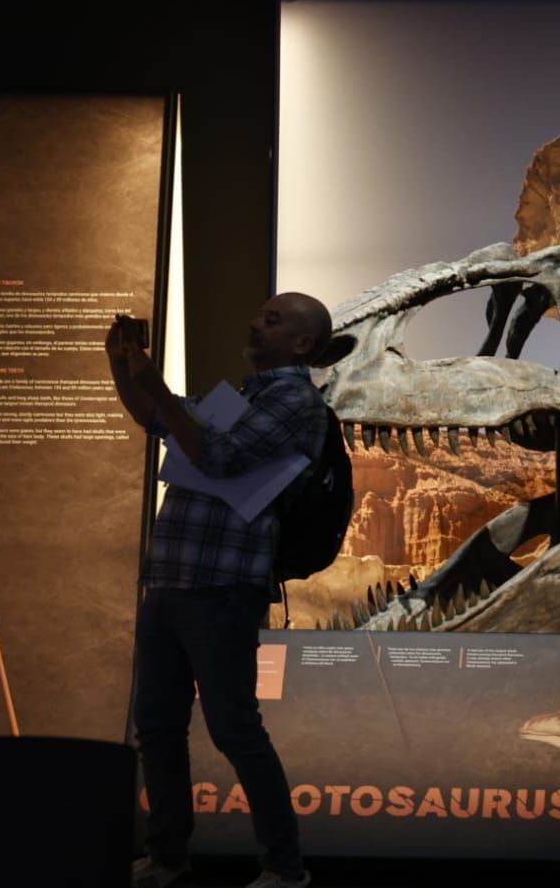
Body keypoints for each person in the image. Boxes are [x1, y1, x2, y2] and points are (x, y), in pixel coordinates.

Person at [108, 292, 332, 888]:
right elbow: (158, 421)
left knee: (235, 729)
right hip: (172, 579)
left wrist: (157, 390)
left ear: (303, 344)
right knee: (156, 726)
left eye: (273, 319)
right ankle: (168, 856)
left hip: (224, 586)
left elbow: (217, 457)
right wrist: (124, 368)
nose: (256, 323)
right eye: (259, 313)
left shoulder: (294, 400)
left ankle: (285, 868)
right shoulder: (246, 395)